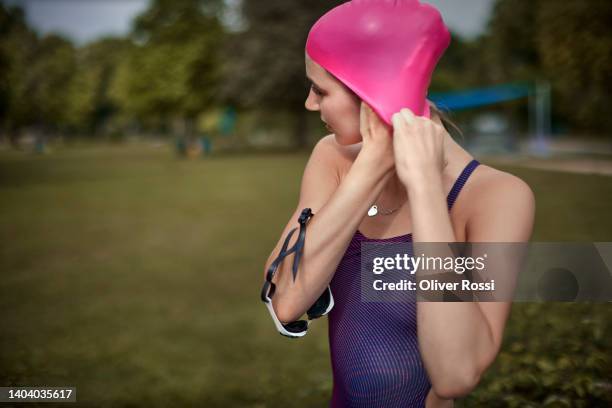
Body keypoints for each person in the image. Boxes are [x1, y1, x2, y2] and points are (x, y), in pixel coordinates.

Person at [262, 1, 535, 407]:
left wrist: (424, 186)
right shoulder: (334, 160)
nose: (309, 103)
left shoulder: (497, 197)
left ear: (371, 95)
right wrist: (371, 167)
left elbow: (457, 374)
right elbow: (286, 302)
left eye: (320, 90)